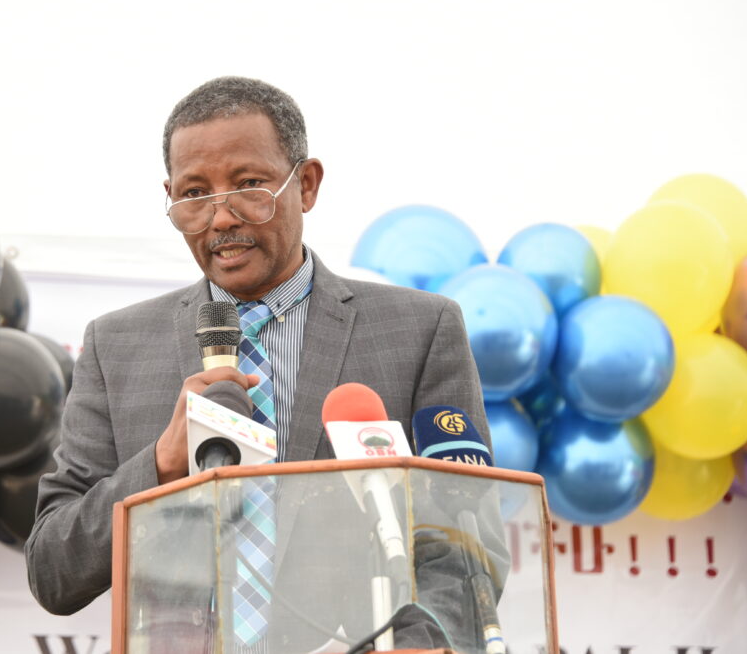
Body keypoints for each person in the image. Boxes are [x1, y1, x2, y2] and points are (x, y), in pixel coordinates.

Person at [25, 76, 500, 651]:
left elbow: (466, 545)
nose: (221, 217)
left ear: (306, 184)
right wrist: (160, 463)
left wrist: (415, 644)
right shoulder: (116, 346)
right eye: (194, 193)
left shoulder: (419, 330)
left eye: (249, 185)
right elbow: (53, 569)